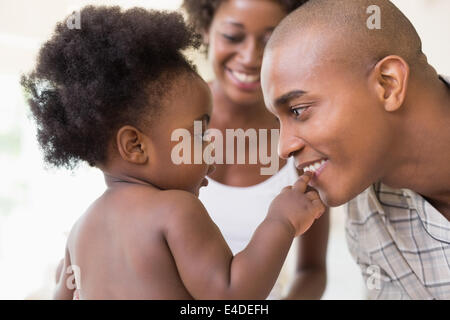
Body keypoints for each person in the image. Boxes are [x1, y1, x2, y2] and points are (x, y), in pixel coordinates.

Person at [21, 6, 325, 299]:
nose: (211, 150)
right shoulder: (177, 210)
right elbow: (233, 294)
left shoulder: (80, 229)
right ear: (136, 146)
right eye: (199, 134)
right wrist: (280, 221)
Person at [261, 0, 450, 299]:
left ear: (387, 84)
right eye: (278, 121)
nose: (284, 148)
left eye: (298, 110)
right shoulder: (366, 217)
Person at [183, 0, 329, 300]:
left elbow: (312, 271)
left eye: (271, 40)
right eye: (233, 37)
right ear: (205, 29)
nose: (250, 57)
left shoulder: (306, 139)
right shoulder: (167, 122)